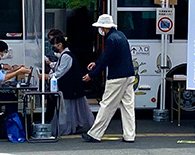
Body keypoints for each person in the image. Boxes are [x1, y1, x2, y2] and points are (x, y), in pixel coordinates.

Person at [82, 14, 136, 143]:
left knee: (107, 105)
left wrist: (91, 74)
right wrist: (97, 63)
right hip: (129, 74)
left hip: (117, 77)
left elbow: (106, 59)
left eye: (100, 26)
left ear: (103, 27)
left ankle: (95, 134)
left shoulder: (111, 39)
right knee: (128, 106)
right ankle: (129, 135)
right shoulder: (120, 35)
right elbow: (109, 56)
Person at [47, 35, 94, 135]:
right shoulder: (65, 55)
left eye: (55, 44)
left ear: (60, 45)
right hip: (73, 87)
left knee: (67, 108)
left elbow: (60, 72)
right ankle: (79, 125)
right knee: (75, 107)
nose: (54, 47)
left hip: (70, 87)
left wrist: (48, 76)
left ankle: (66, 128)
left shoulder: (66, 56)